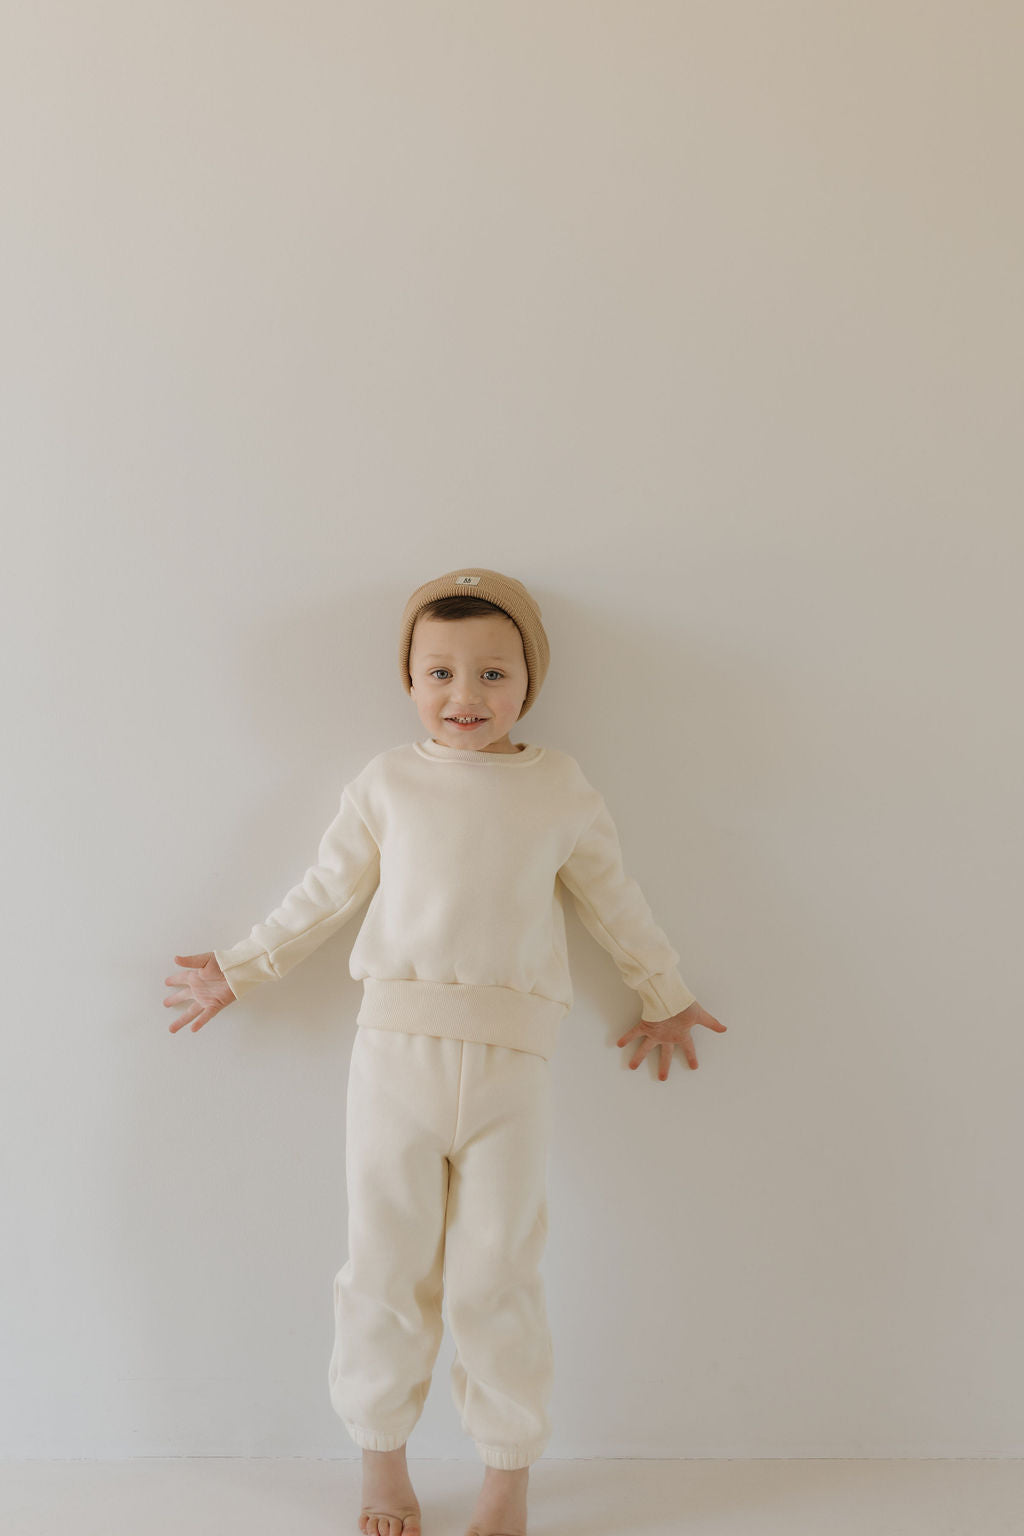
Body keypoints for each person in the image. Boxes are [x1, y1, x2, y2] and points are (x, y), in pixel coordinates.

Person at [162, 566, 726, 1536]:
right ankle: (382, 1465)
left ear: (529, 681)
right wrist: (241, 968)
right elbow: (324, 895)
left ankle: (506, 1479)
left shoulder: (559, 788)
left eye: (493, 673)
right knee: (384, 1267)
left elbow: (613, 902)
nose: (466, 695)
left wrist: (664, 993)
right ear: (411, 679)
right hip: (394, 1059)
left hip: (514, 1068)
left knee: (496, 1278)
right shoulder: (386, 783)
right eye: (440, 673)